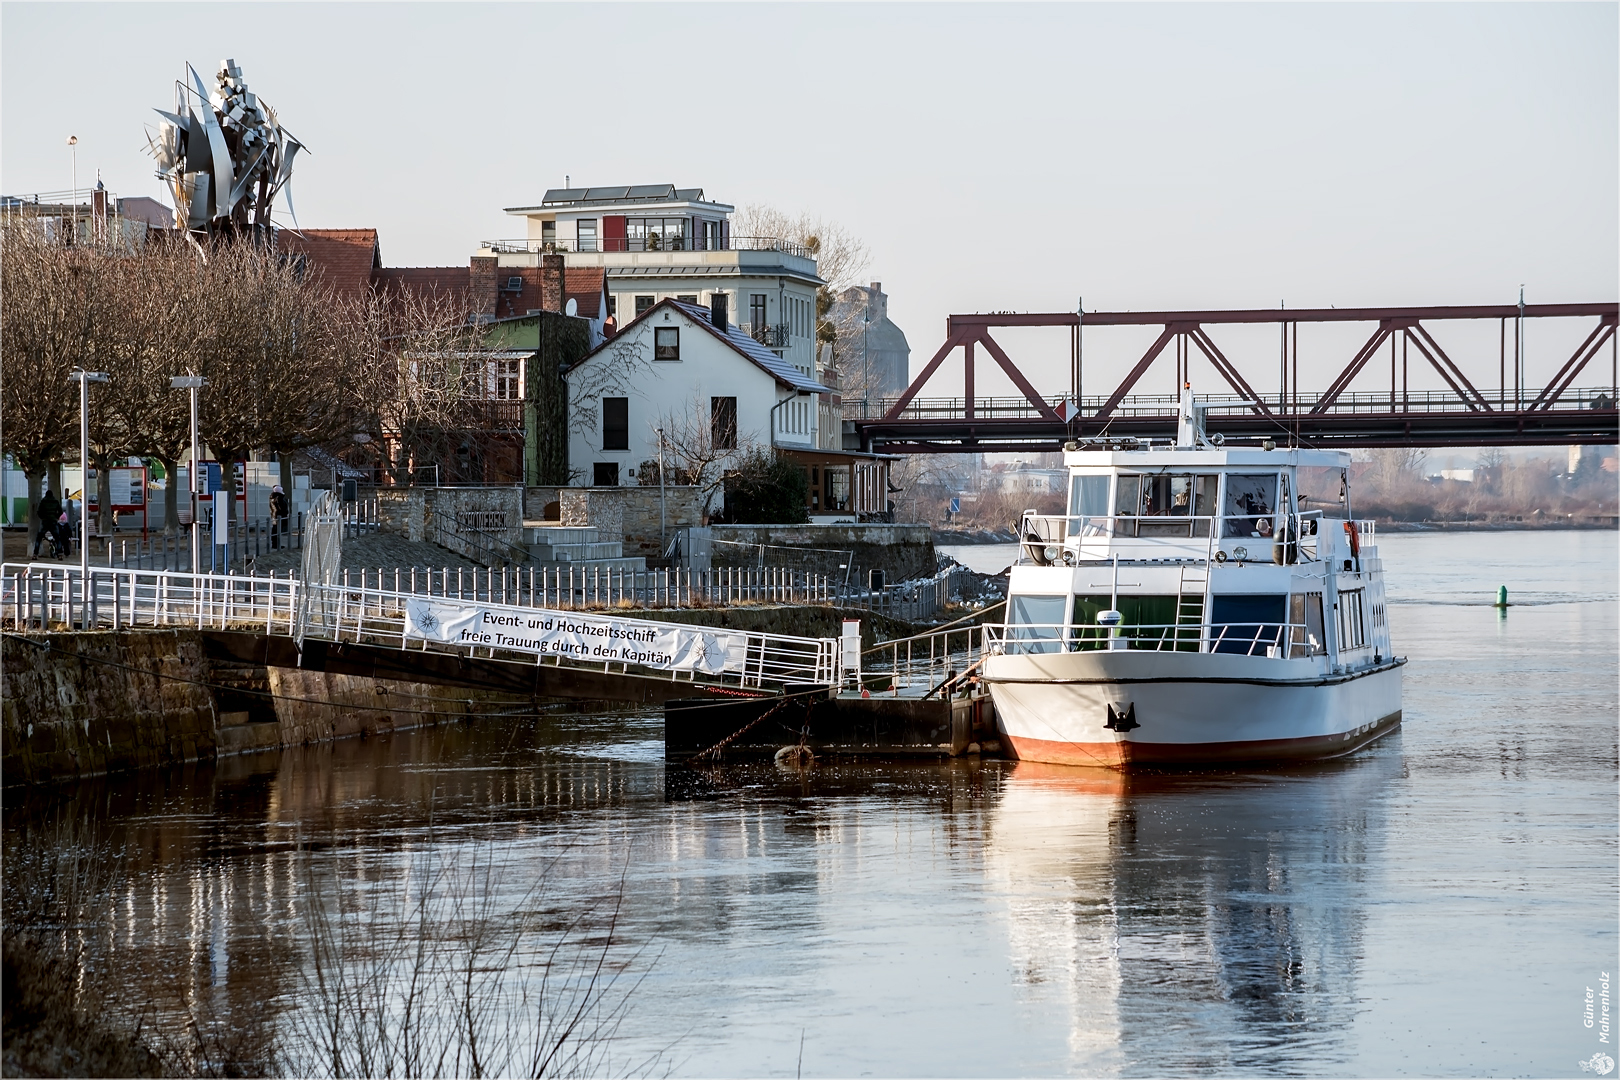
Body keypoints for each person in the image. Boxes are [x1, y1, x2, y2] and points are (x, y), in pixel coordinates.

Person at [32, 488, 61, 557]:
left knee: (39, 538)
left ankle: (35, 554)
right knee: (57, 538)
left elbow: (39, 512)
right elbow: (60, 511)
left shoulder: (43, 501)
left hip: (45, 521)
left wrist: (42, 517)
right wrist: (56, 517)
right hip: (53, 521)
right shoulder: (56, 501)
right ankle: (60, 554)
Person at [269, 484, 290, 549]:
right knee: (277, 531)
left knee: (275, 530)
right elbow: (281, 508)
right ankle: (276, 545)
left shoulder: (272, 498)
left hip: (274, 516)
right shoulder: (279, 498)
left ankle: (275, 544)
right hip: (279, 516)